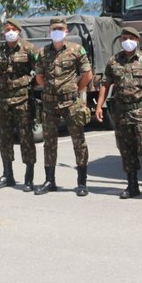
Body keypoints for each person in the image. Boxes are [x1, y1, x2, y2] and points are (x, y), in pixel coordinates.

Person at [95, 26, 142, 203]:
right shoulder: (114, 61)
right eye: (124, 37)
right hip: (121, 111)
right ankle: (132, 186)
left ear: (137, 40)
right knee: (126, 149)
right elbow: (105, 84)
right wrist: (99, 106)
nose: (127, 41)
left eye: (131, 38)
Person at [34, 17, 93, 196]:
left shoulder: (76, 50)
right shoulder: (43, 52)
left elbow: (87, 75)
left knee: (78, 141)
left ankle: (82, 183)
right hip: (50, 103)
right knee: (49, 142)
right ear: (50, 32)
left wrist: (76, 90)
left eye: (60, 29)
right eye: (54, 29)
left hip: (71, 103)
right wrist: (51, 90)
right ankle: (49, 180)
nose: (57, 32)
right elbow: (39, 77)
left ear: (66, 31)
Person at [0, 18, 40, 191]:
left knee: (26, 138)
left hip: (23, 100)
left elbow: (39, 71)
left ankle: (29, 177)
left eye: (12, 29)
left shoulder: (29, 48)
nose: (9, 32)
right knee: (4, 138)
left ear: (18, 31)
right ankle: (8, 175)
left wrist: (27, 84)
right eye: (6, 29)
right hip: (4, 100)